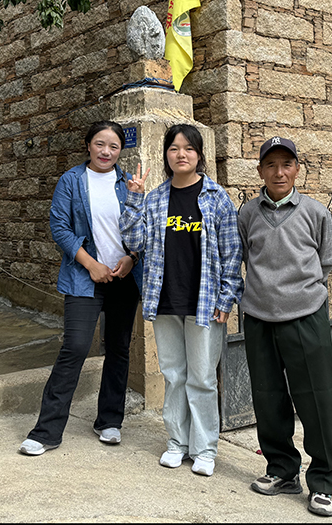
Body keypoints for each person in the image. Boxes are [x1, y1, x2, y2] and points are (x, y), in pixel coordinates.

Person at [120, 123, 243, 478]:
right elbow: (135, 243)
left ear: (199, 155)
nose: (181, 154)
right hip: (165, 299)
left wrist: (227, 297)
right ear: (166, 155)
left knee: (202, 378)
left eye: (188, 148)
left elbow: (232, 252)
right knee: (174, 376)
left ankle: (205, 449)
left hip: (204, 301)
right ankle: (177, 443)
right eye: (174, 148)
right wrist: (134, 199)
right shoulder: (156, 198)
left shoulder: (216, 197)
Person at [19, 120, 143, 456]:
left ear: (121, 151)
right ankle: (46, 431)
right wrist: (91, 265)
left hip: (124, 278)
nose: (106, 151)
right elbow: (59, 226)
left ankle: (109, 421)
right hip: (84, 277)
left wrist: (132, 257)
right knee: (75, 347)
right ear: (88, 145)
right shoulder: (72, 180)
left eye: (114, 146)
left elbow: (141, 228)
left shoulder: (128, 183)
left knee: (118, 348)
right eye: (100, 144)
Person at [237, 136, 332, 517]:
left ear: (297, 169)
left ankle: (324, 481)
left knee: (317, 399)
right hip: (259, 317)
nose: (278, 172)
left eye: (286, 164)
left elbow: (325, 262)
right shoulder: (248, 213)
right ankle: (282, 471)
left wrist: (302, 295)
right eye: (270, 165)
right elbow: (244, 257)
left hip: (306, 316)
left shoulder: (315, 212)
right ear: (260, 171)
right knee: (268, 398)